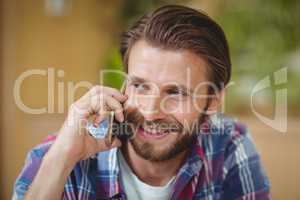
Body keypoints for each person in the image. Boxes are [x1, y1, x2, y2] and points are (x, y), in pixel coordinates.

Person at [13, 5, 270, 200]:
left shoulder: (228, 148)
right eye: (140, 86)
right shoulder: (57, 156)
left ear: (213, 101)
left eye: (176, 93)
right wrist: (61, 160)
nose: (150, 112)